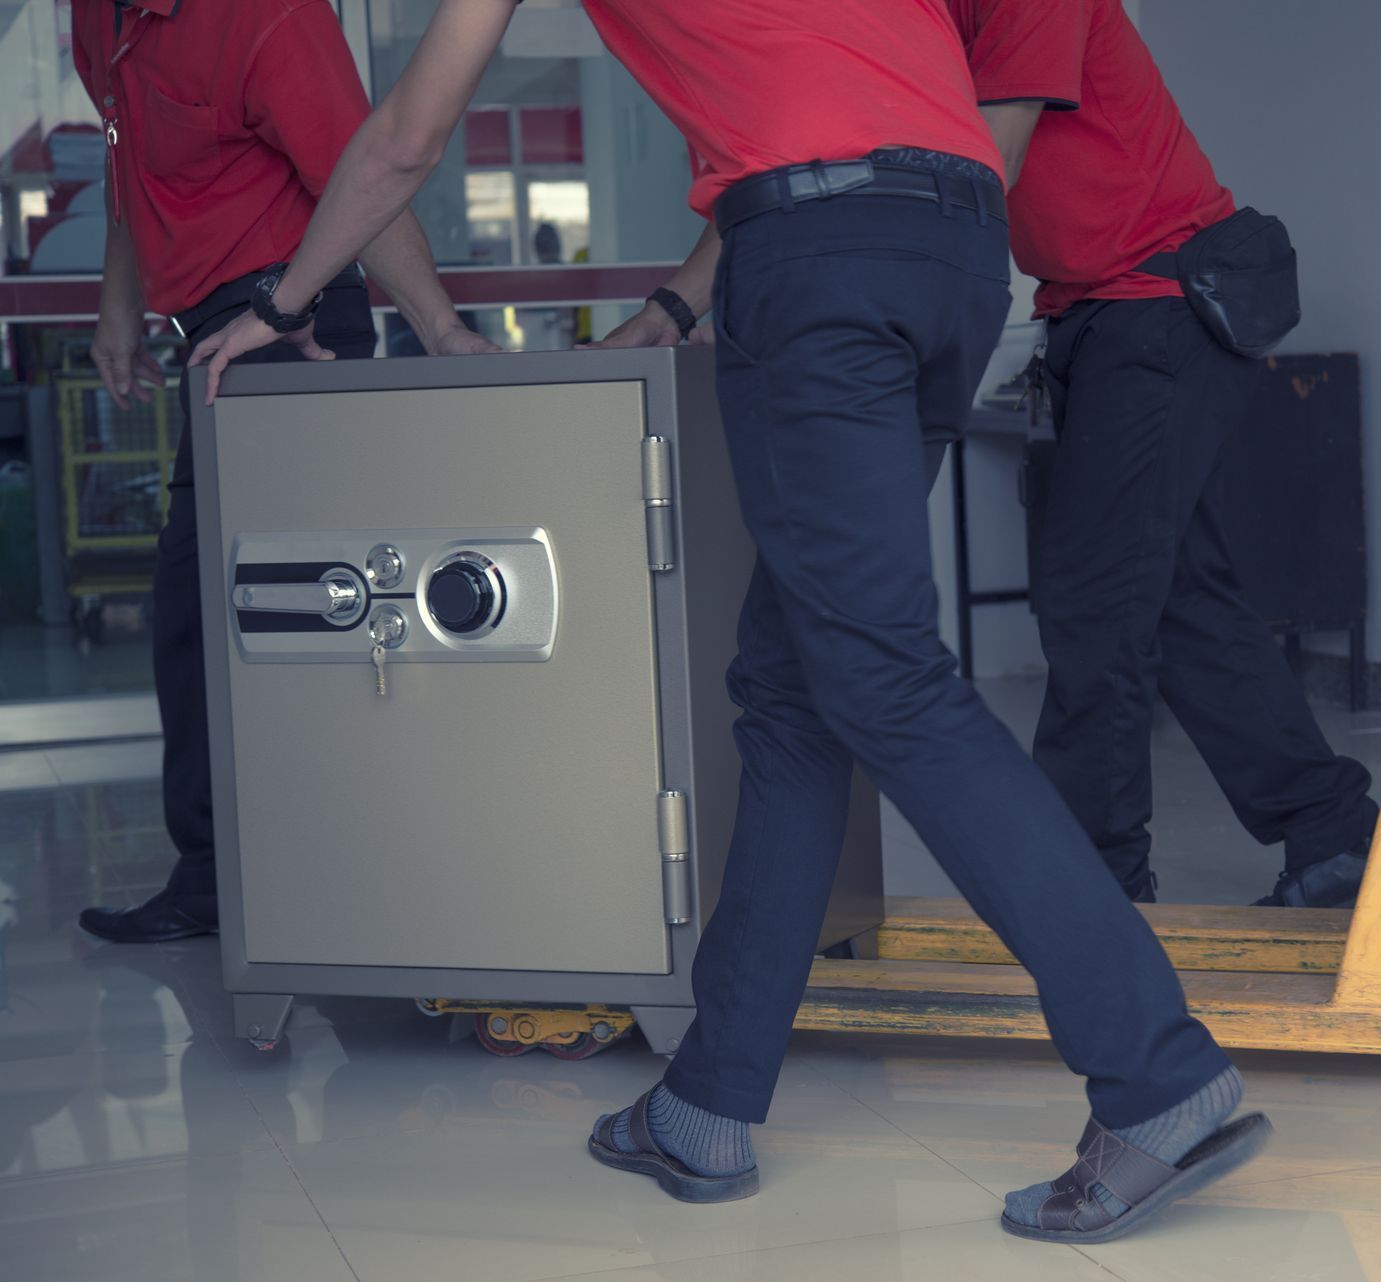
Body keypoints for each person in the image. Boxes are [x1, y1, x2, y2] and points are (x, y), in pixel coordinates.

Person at [189, 0, 1269, 1243]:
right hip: (958, 248)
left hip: (817, 268)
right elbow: (842, 117)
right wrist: (685, 300)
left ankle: (1156, 1072)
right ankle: (708, 1099)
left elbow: (402, 137)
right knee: (796, 684)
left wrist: (286, 296)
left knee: (883, 680)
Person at [71, 0, 499, 945]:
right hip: (213, 342)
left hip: (291, 327)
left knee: (294, 621)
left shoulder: (268, 15)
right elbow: (125, 161)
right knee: (206, 622)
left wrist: (437, 326)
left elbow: (368, 171)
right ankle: (232, 877)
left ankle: (324, 874)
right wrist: (118, 307)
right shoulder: (99, 17)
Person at [943, 0, 1376, 908]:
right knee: (1179, 596)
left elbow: (989, 159)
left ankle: (1092, 888)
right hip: (1100, 313)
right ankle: (1330, 827)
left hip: (1155, 305)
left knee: (1092, 596)